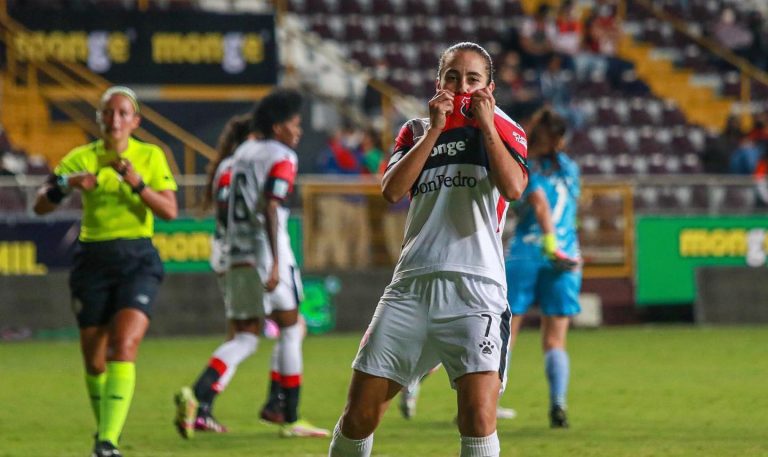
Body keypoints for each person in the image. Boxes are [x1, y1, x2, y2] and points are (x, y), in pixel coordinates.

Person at [328, 42, 529, 457]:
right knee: (358, 416)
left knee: (476, 417)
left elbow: (513, 187)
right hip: (411, 287)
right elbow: (392, 190)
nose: (462, 87)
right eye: (453, 77)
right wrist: (436, 129)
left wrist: (486, 125)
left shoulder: (507, 129)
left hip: (476, 290)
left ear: (489, 87)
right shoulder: (416, 129)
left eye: (473, 79)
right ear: (439, 82)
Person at [173, 88, 330, 439]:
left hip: (234, 256)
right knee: (291, 328)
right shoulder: (282, 155)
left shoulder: (237, 156)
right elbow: (272, 205)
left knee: (245, 336)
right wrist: (275, 262)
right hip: (265, 256)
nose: (298, 130)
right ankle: (289, 416)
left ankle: (199, 396)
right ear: (278, 127)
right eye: (294, 123)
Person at [33, 86, 178, 457]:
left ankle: (107, 442)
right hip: (93, 262)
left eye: (122, 113)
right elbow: (40, 205)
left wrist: (138, 185)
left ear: (135, 121)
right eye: (108, 113)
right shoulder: (81, 158)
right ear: (99, 119)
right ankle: (106, 432)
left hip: (137, 260)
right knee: (94, 359)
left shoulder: (150, 156)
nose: (115, 119)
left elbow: (169, 211)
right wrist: (67, 185)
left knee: (123, 345)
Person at [504, 108, 582, 429]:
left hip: (527, 251)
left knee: (505, 335)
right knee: (555, 340)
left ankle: (486, 402)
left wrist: (547, 242)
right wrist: (557, 247)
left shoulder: (523, 168)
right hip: (567, 255)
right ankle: (558, 403)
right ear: (561, 139)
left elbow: (538, 203)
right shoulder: (571, 169)